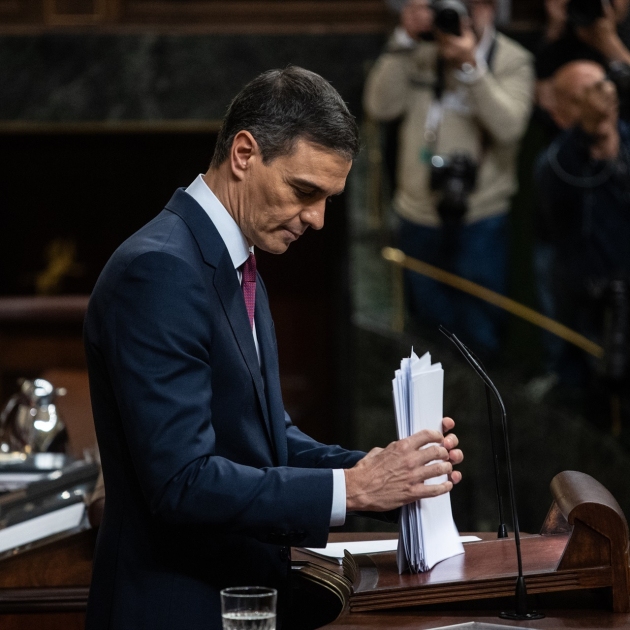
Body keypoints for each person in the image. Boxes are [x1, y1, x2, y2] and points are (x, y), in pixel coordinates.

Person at [84, 66, 464, 630]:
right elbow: (182, 483)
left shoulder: (236, 260)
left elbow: (265, 439)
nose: (316, 218)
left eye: (329, 198)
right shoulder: (160, 270)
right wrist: (353, 489)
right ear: (244, 153)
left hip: (236, 602)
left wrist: (385, 470)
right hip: (173, 608)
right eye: (305, 191)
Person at [364, 0, 534, 356]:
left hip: (479, 216)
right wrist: (403, 39)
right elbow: (380, 107)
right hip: (417, 213)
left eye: (471, 5)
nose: (463, 15)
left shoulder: (512, 59)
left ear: (490, 8)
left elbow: (509, 129)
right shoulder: (420, 53)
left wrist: (471, 66)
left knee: (480, 331)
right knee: (426, 334)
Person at [536, 60, 630, 386]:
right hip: (582, 304)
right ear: (560, 112)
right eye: (583, 96)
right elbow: (555, 191)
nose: (598, 98)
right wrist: (588, 134)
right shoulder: (557, 163)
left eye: (603, 87)